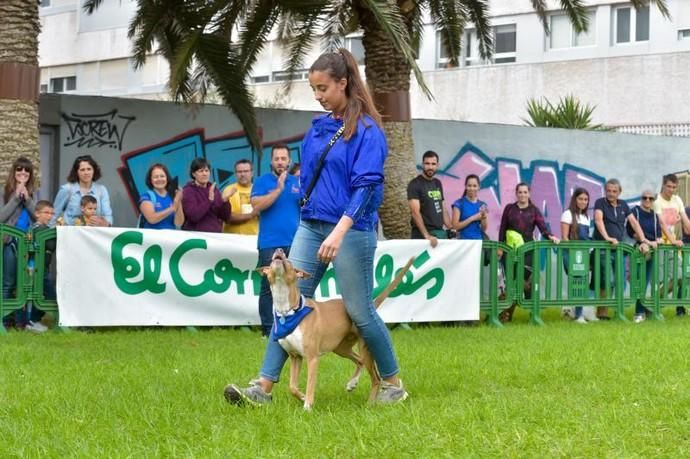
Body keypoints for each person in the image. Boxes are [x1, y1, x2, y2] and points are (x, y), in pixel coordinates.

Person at [225, 48, 407, 406]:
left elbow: (367, 185)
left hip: (351, 231)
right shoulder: (320, 127)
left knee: (359, 310)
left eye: (323, 87)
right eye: (314, 89)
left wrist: (339, 231)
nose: (318, 95)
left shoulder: (368, 130)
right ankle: (262, 388)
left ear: (344, 83)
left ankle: (392, 383)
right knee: (288, 305)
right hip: (311, 225)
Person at [250, 145, 301, 337]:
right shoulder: (262, 181)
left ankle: (294, 325)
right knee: (268, 287)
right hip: (270, 243)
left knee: (295, 284)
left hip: (295, 242)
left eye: (283, 158)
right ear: (271, 161)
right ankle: (268, 330)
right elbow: (256, 206)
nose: (280, 162)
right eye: (277, 158)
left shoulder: (297, 182)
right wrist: (278, 190)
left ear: (289, 161)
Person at [498, 182, 560, 322]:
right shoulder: (509, 209)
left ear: (529, 194)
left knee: (524, 282)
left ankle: (531, 314)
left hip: (528, 253)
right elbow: (502, 228)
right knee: (512, 283)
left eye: (525, 192)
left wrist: (551, 236)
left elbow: (542, 227)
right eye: (520, 192)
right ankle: (504, 315)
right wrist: (500, 247)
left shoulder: (534, 210)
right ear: (516, 193)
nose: (522, 195)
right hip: (510, 252)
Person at [592, 178, 646, 320]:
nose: (611, 193)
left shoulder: (623, 205)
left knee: (620, 280)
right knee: (607, 280)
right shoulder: (600, 203)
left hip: (619, 249)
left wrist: (643, 240)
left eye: (614, 191)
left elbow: (634, 222)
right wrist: (607, 238)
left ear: (619, 192)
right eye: (608, 190)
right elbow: (598, 220)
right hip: (603, 248)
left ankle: (618, 312)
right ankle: (602, 313)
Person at [1, 157, 37, 330]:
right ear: (14, 172)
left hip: (28, 243)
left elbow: (38, 217)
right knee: (8, 282)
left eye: (26, 170)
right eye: (19, 170)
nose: (23, 173)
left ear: (30, 174)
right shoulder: (4, 192)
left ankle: (21, 320)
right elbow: (1, 217)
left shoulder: (34, 193)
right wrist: (15, 198)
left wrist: (28, 199)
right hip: (10, 242)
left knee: (24, 282)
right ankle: (6, 319)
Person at [653, 173, 690, 317]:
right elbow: (661, 223)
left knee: (683, 276)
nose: (671, 190)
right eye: (668, 186)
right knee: (665, 278)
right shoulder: (657, 201)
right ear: (663, 185)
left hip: (673, 245)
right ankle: (653, 305)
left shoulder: (677, 200)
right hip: (660, 244)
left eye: (674, 187)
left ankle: (654, 302)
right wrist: (672, 240)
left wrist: (674, 241)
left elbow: (686, 220)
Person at [560, 188, 596, 324]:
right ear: (575, 199)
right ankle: (578, 314)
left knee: (582, 282)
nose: (583, 202)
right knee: (577, 282)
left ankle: (577, 311)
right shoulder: (567, 214)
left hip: (583, 253)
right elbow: (564, 237)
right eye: (580, 199)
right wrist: (574, 252)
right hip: (571, 253)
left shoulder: (586, 217)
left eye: (586, 199)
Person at [23, 200, 57, 333]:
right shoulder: (39, 230)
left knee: (37, 295)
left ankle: (31, 321)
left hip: (42, 268)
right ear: (37, 213)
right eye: (46, 213)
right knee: (49, 296)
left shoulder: (41, 229)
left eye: (52, 213)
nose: (49, 216)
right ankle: (32, 321)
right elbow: (51, 245)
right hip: (37, 269)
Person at [629, 190, 662, 323]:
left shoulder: (655, 216)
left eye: (650, 198)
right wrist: (647, 242)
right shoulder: (635, 212)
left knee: (645, 281)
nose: (647, 200)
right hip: (639, 251)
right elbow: (632, 232)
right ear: (641, 198)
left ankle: (642, 310)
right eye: (645, 198)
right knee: (638, 282)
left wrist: (656, 242)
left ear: (654, 200)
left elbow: (659, 236)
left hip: (652, 252)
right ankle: (638, 312)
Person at [52, 154, 112, 226]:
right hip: (71, 234)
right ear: (76, 172)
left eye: (89, 169)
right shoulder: (67, 189)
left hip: (94, 234)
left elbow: (108, 215)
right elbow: (53, 215)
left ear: (94, 171)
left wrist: (106, 223)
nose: (86, 173)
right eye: (82, 170)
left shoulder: (101, 190)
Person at [407, 150, 451, 247]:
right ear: (423, 164)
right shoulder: (415, 184)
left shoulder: (437, 183)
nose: (430, 167)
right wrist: (427, 236)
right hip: (421, 236)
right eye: (427, 163)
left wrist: (451, 228)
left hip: (438, 234)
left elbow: (443, 208)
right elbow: (415, 213)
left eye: (433, 164)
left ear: (437, 165)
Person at [181, 158, 231, 232]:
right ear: (193, 174)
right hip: (196, 237)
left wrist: (225, 201)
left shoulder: (214, 189)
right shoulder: (188, 191)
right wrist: (209, 200)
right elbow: (194, 216)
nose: (204, 174)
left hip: (215, 235)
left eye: (206, 171)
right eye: (201, 171)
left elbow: (225, 217)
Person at [139, 163, 184, 230]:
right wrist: (172, 208)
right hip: (152, 239)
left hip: (170, 238)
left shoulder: (172, 197)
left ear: (167, 178)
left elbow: (179, 223)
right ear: (150, 180)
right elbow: (152, 219)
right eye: (156, 177)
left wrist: (178, 200)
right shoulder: (147, 196)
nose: (159, 179)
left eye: (162, 176)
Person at [221, 159, 258, 235]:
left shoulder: (259, 190)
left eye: (246, 171)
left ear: (252, 173)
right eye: (239, 172)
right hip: (232, 240)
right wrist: (252, 215)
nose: (243, 174)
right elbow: (228, 217)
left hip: (254, 238)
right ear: (235, 174)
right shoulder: (228, 190)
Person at [451, 174, 487, 240]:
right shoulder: (459, 203)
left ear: (479, 187)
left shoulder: (482, 205)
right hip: (462, 242)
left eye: (474, 186)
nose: (472, 188)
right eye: (469, 186)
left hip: (477, 242)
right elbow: (455, 226)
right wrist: (472, 218)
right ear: (465, 186)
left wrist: (484, 217)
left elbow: (484, 229)